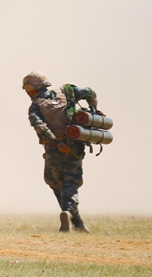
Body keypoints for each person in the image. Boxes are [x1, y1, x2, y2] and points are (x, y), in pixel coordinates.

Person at [23, 71, 98, 232]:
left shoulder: (35, 106)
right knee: (70, 182)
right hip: (74, 146)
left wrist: (56, 143)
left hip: (53, 150)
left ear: (32, 89)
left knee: (55, 181)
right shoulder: (67, 92)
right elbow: (90, 92)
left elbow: (40, 127)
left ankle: (72, 218)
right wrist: (93, 108)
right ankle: (73, 218)